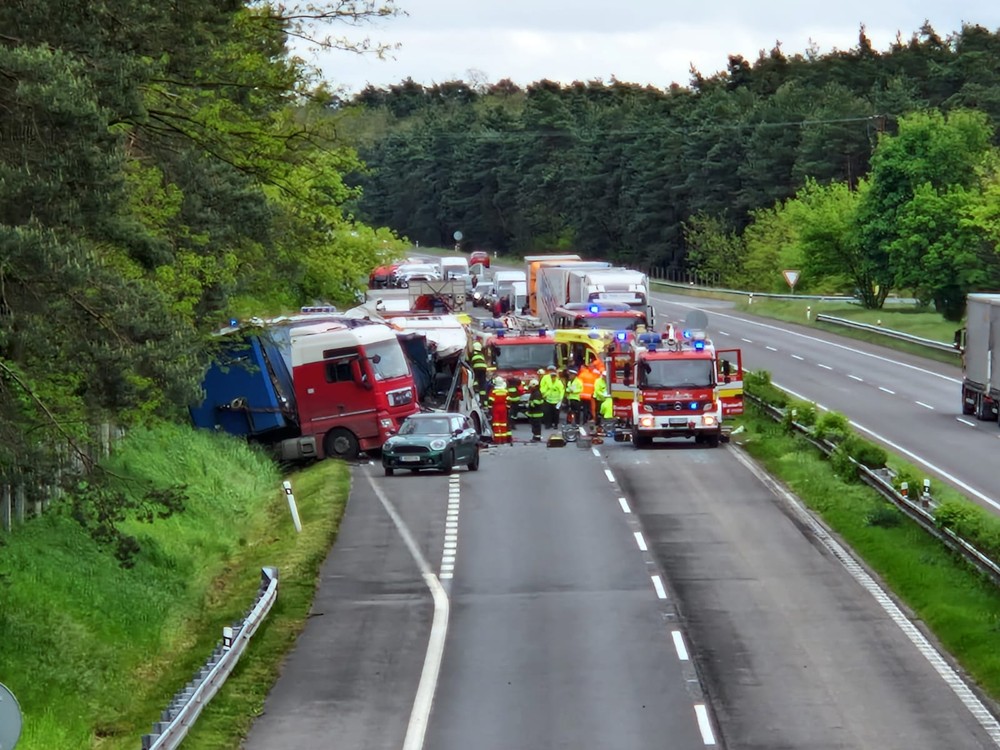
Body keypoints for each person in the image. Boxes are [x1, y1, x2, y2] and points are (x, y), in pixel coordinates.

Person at [489, 376, 512, 445]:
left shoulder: (493, 391)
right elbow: (509, 400)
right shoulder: (505, 391)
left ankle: (497, 440)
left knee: (496, 423)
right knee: (503, 424)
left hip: (496, 408)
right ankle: (503, 439)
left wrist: (489, 408)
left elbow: (491, 401)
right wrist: (508, 407)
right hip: (503, 408)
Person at [541, 364, 564, 429]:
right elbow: (542, 387)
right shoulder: (545, 378)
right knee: (547, 413)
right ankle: (548, 424)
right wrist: (544, 394)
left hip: (556, 400)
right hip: (548, 398)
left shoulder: (558, 381)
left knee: (556, 413)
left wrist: (560, 399)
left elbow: (561, 390)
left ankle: (555, 424)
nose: (553, 377)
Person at [526, 378, 545, 442]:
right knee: (535, 427)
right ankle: (535, 437)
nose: (530, 388)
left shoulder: (537, 393)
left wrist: (530, 404)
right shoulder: (535, 392)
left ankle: (537, 438)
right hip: (534, 413)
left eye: (531, 387)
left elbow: (537, 403)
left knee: (536, 427)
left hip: (536, 414)